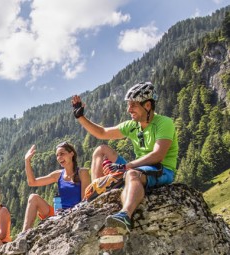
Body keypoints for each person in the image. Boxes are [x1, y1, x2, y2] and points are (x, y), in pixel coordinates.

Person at [71, 81, 178, 231]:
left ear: (147, 106)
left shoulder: (164, 123)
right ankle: (99, 193)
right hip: (138, 167)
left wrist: (128, 166)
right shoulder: (132, 125)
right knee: (101, 150)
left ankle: (125, 215)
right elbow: (102, 133)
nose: (129, 109)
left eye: (133, 105)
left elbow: (158, 155)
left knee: (132, 174)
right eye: (128, 105)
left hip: (162, 170)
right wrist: (80, 117)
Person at [21, 141, 91, 233]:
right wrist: (27, 161)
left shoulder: (82, 173)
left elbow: (84, 201)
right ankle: (24, 233)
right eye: (57, 155)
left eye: (62, 154)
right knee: (33, 197)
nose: (59, 157)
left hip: (75, 213)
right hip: (60, 213)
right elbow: (32, 182)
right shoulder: (58, 175)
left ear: (71, 154)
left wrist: (71, 215)